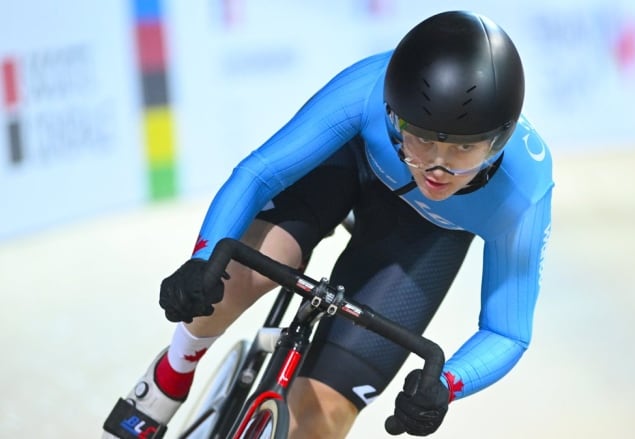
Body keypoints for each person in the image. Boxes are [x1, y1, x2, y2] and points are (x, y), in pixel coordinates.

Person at [102, 10, 553, 439]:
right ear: (394, 114)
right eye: (420, 138)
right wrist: (202, 259)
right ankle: (173, 371)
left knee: (321, 422)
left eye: (461, 150)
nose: (436, 167)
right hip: (349, 169)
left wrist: (448, 384)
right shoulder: (369, 87)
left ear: (499, 140)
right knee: (229, 279)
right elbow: (259, 174)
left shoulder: (525, 189)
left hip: (425, 238)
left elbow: (507, 330)